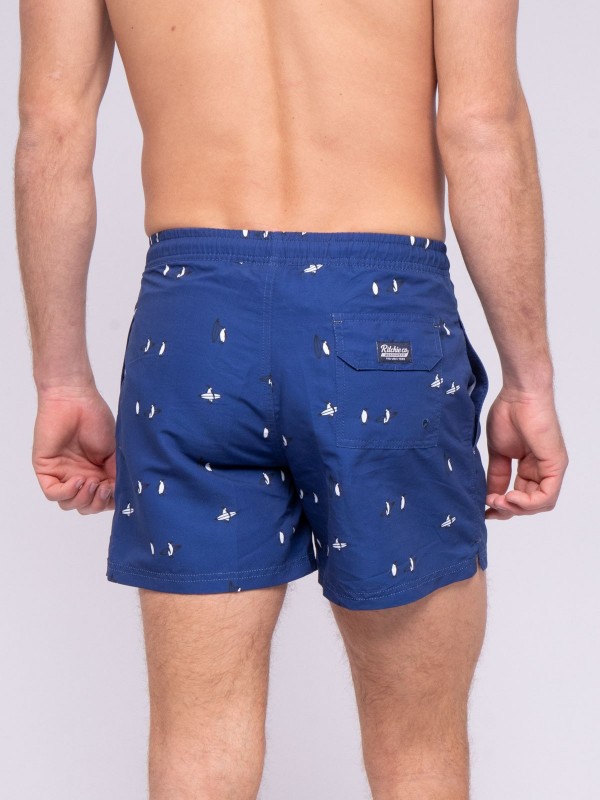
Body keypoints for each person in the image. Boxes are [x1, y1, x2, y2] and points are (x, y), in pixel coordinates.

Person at [15, 1, 569, 798]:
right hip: (383, 318)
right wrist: (529, 379)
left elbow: (52, 129)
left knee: (199, 744)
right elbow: (483, 124)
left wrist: (62, 380)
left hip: (194, 325)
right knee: (417, 747)